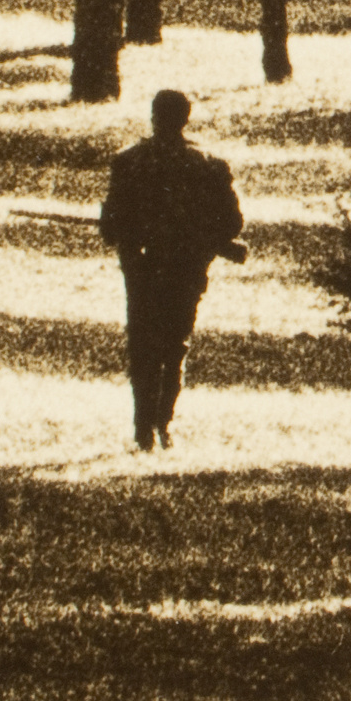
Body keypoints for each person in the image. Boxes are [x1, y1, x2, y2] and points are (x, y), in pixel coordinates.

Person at [99, 89, 244, 451]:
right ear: (185, 118)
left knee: (142, 345)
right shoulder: (209, 164)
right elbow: (232, 223)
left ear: (153, 116)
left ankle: (143, 427)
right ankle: (164, 423)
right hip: (188, 266)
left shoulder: (128, 161)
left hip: (141, 266)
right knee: (175, 345)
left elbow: (110, 226)